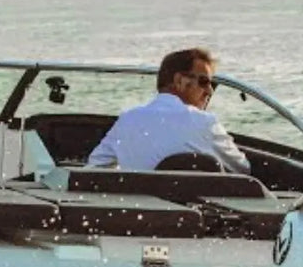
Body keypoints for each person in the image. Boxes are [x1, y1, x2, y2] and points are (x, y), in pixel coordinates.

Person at [86, 47, 250, 174]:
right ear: (179, 80)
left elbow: (95, 167)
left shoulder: (127, 120)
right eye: (204, 81)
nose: (210, 91)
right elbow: (242, 169)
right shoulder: (204, 122)